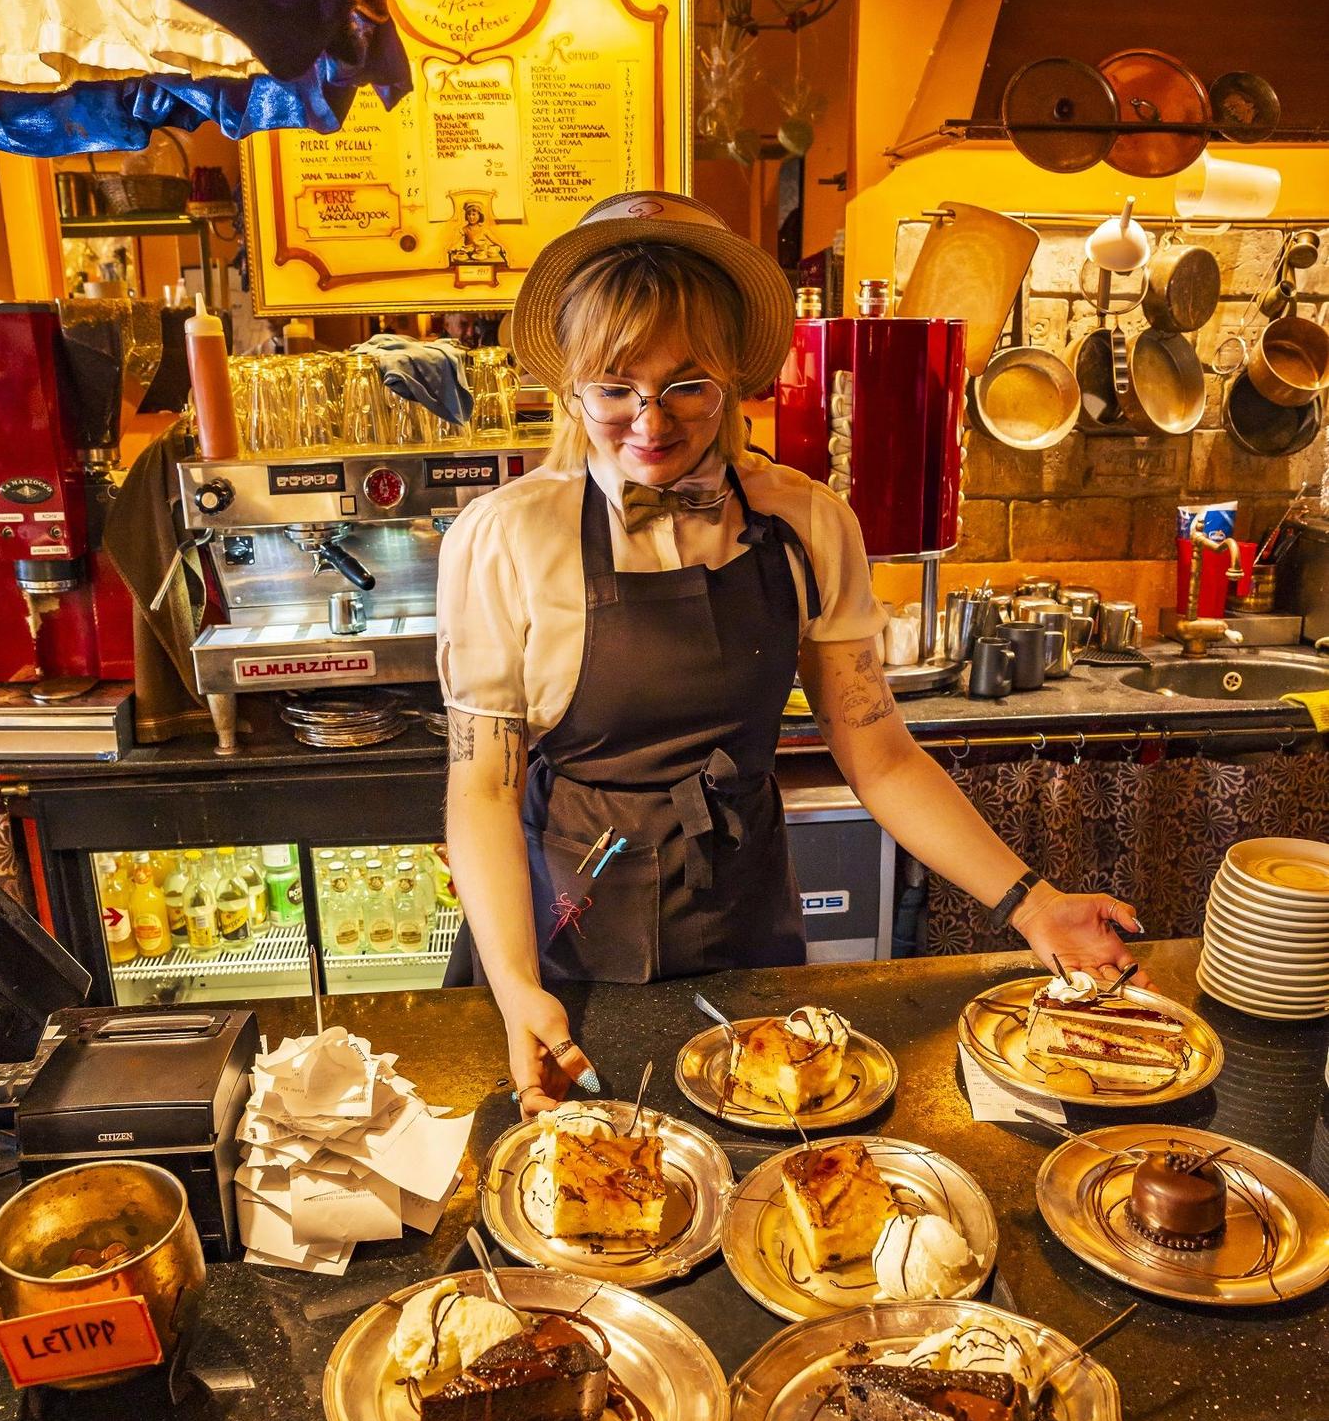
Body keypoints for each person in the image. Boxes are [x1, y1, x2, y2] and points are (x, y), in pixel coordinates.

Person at [437, 191, 1149, 1117]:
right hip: (560, 929)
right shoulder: (504, 539)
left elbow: (879, 753)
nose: (650, 423)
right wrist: (516, 986)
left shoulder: (807, 522)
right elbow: (482, 787)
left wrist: (1030, 903)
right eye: (616, 387)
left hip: (739, 904)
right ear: (571, 384)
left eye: (686, 383)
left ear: (735, 376)